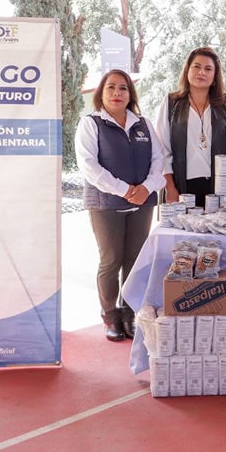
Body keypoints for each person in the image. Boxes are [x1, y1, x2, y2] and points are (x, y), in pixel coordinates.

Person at [75, 69, 165, 342]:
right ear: (101, 93)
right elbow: (89, 166)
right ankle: (109, 317)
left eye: (123, 88)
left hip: (142, 203)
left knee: (135, 261)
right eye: (111, 87)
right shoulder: (91, 124)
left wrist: (147, 188)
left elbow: (159, 161)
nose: (117, 93)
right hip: (106, 204)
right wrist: (125, 190)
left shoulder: (144, 125)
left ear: (130, 94)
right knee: (111, 260)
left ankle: (129, 315)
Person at [155, 46, 226, 207]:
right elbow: (162, 149)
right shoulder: (171, 102)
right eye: (196, 66)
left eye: (208, 69)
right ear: (187, 70)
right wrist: (170, 187)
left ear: (215, 76)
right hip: (180, 185)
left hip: (219, 187)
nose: (201, 72)